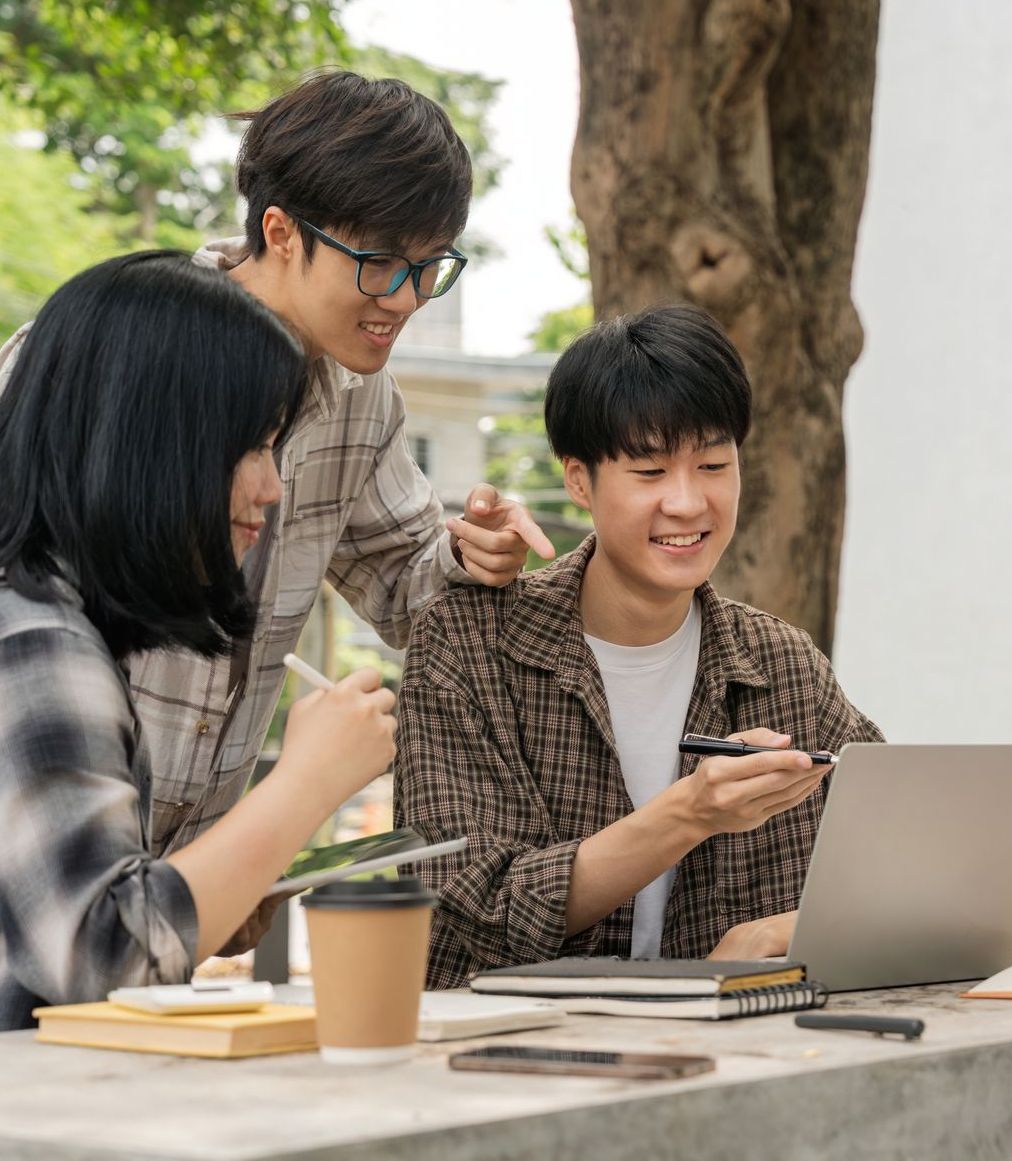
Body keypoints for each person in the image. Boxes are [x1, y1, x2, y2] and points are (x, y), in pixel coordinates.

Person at [0, 71, 553, 952]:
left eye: (430, 267)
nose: (405, 298)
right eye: (379, 262)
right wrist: (299, 788)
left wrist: (469, 554)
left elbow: (410, 589)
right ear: (281, 231)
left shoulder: (363, 400)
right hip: (61, 890)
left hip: (171, 904)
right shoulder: (106, 354)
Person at [394, 304, 883, 989]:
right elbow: (464, 908)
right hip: (508, 1063)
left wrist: (781, 932)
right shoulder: (469, 644)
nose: (687, 503)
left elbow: (898, 866)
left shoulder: (781, 663)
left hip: (738, 1058)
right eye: (650, 473)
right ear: (578, 482)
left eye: (713, 463)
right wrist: (691, 811)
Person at [0, 252, 397, 1030]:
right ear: (149, 443)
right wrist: (305, 782)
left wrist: (216, 892)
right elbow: (107, 957)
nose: (272, 487)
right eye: (252, 446)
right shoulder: (35, 643)